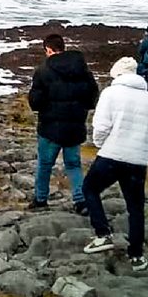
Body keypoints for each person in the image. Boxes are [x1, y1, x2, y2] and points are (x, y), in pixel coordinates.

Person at [82, 56, 148, 272]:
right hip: (137, 161)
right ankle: (136, 256)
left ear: (116, 73)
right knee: (136, 208)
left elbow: (100, 127)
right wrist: (143, 151)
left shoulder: (110, 93)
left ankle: (103, 234)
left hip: (111, 155)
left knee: (90, 189)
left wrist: (102, 145)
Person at [26, 33, 98, 212]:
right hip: (75, 126)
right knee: (73, 165)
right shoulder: (83, 69)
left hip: (50, 127)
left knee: (44, 165)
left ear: (49, 50)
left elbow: (35, 103)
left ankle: (41, 199)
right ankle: (80, 202)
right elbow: (92, 97)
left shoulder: (43, 71)